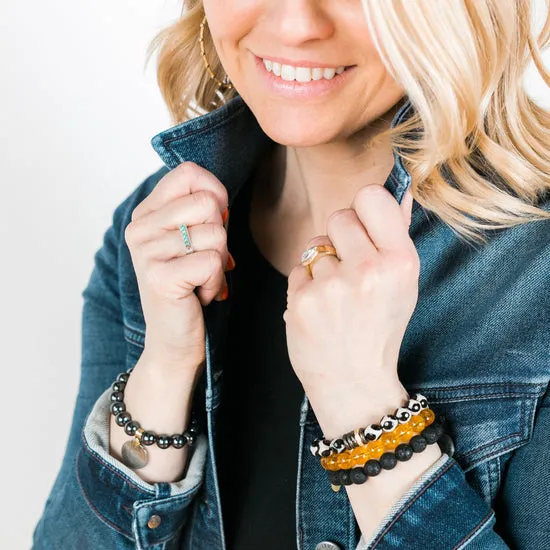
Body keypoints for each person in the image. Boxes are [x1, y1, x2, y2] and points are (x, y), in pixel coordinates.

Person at [33, 1, 550, 549]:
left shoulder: (534, 273)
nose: (296, 25)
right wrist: (163, 372)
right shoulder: (153, 235)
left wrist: (366, 410)